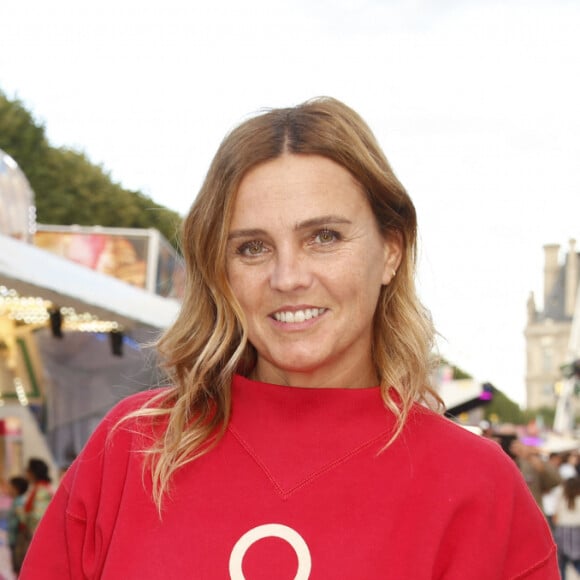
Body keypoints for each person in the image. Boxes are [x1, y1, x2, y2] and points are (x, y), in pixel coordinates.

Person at [21, 97, 558, 578]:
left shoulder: (478, 487)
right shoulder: (132, 450)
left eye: (324, 237)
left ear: (390, 250)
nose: (288, 277)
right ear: (220, 269)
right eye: (252, 247)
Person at [554, 476, 580, 578]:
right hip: (577, 529)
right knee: (577, 561)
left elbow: (556, 515)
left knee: (562, 563)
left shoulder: (561, 495)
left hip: (563, 529)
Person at [6, 476, 29, 575]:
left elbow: (23, 520)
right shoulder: (16, 501)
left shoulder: (20, 502)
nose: (8, 489)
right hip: (14, 538)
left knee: (18, 567)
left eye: (10, 487)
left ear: (16, 488)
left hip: (18, 539)